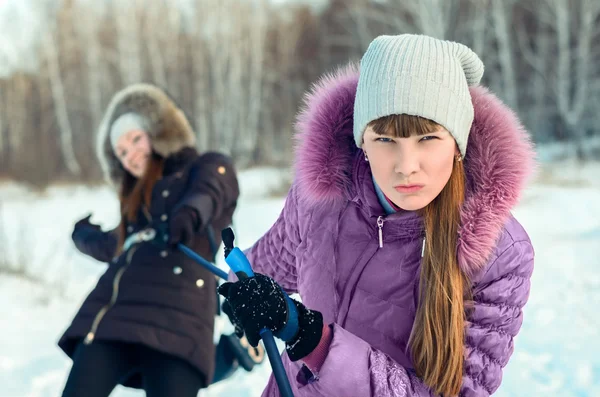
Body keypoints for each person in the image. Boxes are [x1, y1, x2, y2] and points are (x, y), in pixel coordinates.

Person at [218, 34, 536, 396]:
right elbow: (268, 267)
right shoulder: (322, 199)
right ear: (362, 142)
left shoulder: (497, 252)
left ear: (458, 143)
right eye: (385, 139)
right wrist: (241, 283)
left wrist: (313, 340)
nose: (406, 167)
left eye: (428, 138)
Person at [58, 83, 240, 397]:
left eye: (134, 139)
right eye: (121, 152)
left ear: (156, 132)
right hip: (118, 312)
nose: (130, 155)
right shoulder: (138, 204)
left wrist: (189, 214)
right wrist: (84, 237)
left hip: (179, 315)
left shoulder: (204, 165)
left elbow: (211, 190)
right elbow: (115, 246)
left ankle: (232, 353)